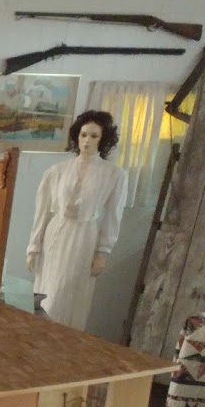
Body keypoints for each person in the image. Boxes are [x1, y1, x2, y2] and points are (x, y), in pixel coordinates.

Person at [25, 109, 127, 330]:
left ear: (103, 139)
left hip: (84, 240)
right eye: (83, 135)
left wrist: (103, 252)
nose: (87, 140)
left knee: (71, 296)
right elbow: (42, 212)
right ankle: (39, 339)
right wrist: (33, 247)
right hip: (55, 236)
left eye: (94, 136)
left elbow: (113, 216)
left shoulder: (114, 175)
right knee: (47, 295)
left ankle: (64, 343)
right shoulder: (56, 171)